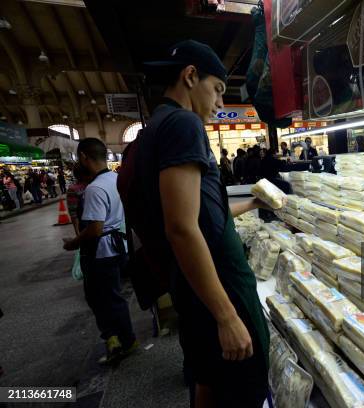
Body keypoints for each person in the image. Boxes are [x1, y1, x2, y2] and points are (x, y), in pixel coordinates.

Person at [122, 40, 270, 407]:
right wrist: (227, 316)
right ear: (190, 76)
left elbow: (200, 217)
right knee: (242, 391)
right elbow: (181, 227)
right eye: (217, 89)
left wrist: (253, 203)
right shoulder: (183, 124)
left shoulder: (155, 128)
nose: (221, 103)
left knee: (210, 383)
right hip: (219, 293)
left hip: (194, 291)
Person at [62, 138, 137, 365]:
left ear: (84, 156)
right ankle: (116, 338)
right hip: (119, 246)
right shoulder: (116, 179)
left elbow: (95, 229)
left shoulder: (94, 189)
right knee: (110, 295)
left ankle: (125, 340)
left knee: (105, 297)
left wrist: (73, 242)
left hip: (101, 251)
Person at [66, 164, 90, 236]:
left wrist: (77, 233)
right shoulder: (74, 189)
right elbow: (73, 213)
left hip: (86, 225)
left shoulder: (73, 189)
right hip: (87, 226)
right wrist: (78, 233)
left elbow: (73, 213)